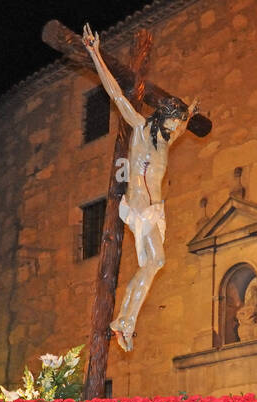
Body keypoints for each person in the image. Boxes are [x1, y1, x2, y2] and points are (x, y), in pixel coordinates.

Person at [82, 23, 195, 351]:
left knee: (151, 265)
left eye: (178, 122)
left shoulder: (165, 140)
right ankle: (125, 320)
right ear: (164, 116)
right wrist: (95, 54)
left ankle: (124, 321)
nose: (176, 126)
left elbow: (183, 129)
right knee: (156, 262)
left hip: (155, 211)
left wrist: (192, 115)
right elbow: (117, 94)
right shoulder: (142, 129)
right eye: (174, 120)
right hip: (139, 206)